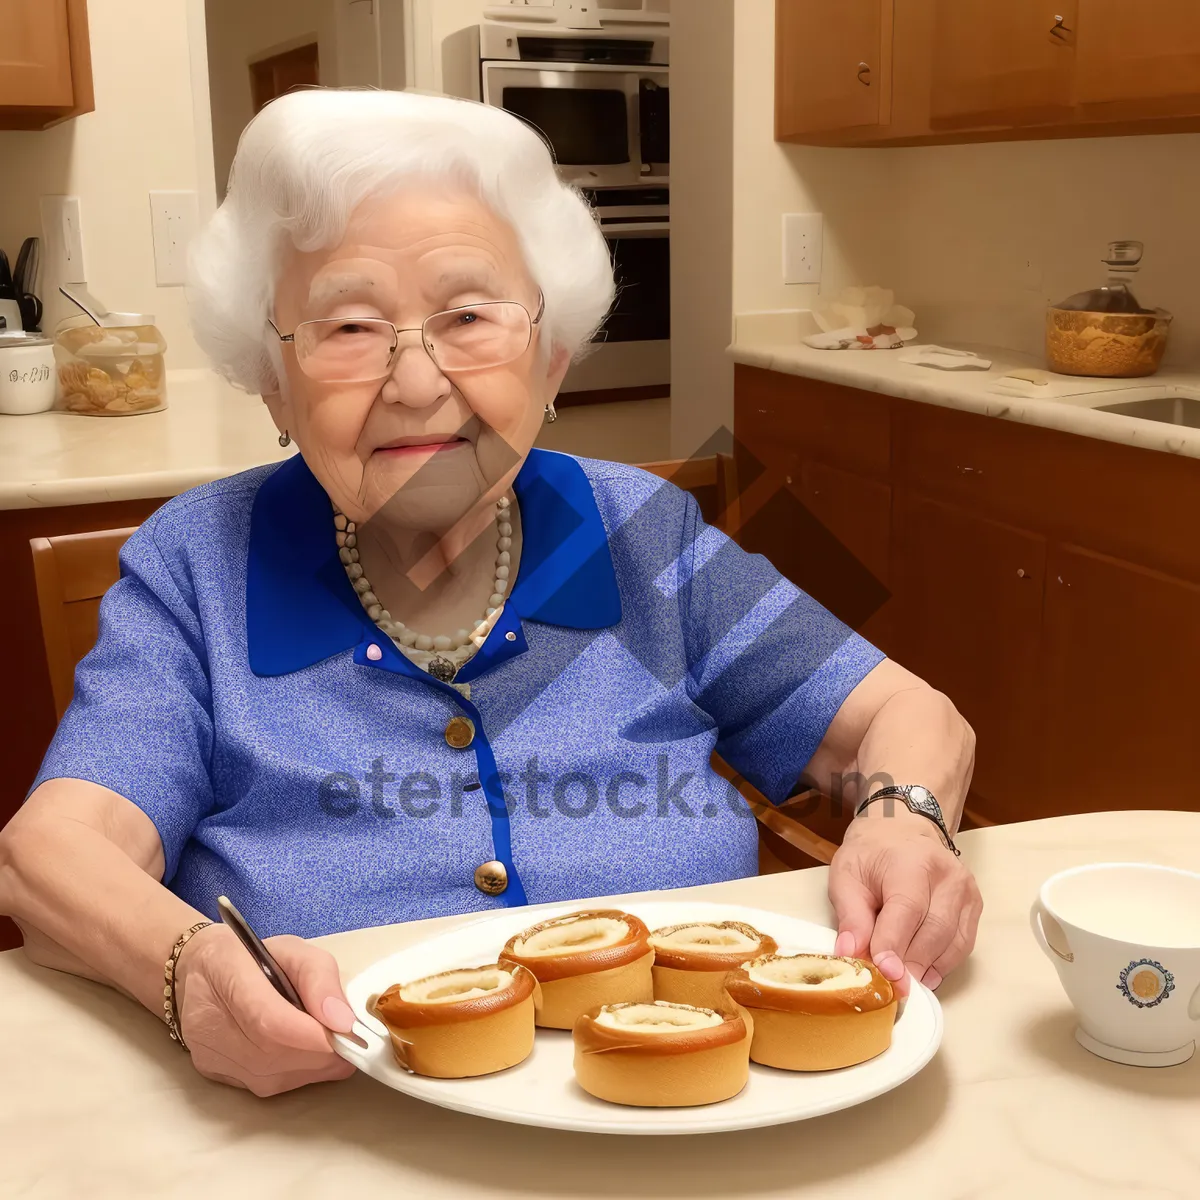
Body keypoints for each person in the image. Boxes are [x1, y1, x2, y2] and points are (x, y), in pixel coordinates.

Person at [0, 90, 981, 1096]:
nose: (417, 382)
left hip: (692, 1110)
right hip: (326, 1128)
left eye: (468, 316)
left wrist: (904, 818)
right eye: (348, 326)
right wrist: (187, 972)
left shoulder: (648, 527)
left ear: (550, 361)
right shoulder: (196, 561)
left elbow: (909, 715)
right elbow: (49, 855)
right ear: (273, 386)